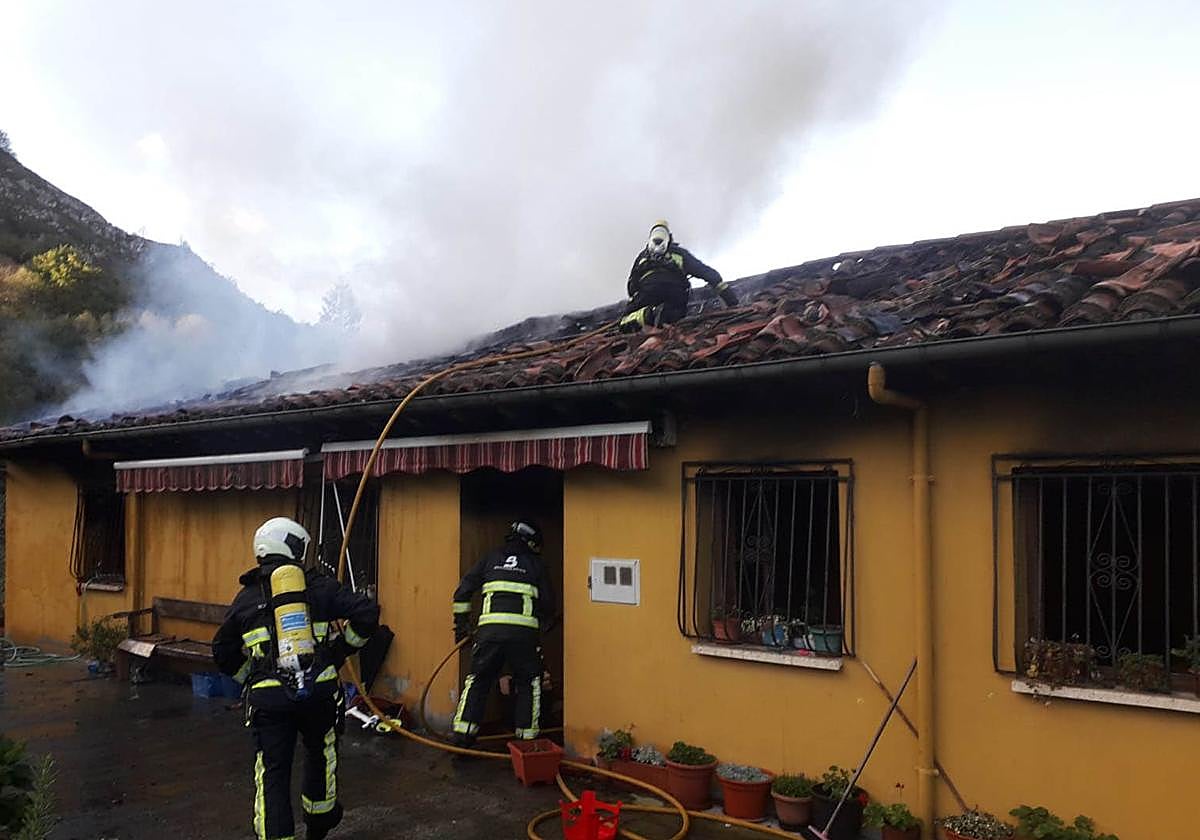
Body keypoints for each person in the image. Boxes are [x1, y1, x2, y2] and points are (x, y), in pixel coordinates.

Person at [213, 516, 380, 840]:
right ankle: (320, 820)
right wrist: (340, 650)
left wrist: (251, 676)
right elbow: (367, 613)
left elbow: (222, 650)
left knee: (273, 770)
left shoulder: (245, 598)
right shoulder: (318, 586)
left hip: (269, 701)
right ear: (294, 548)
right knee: (321, 752)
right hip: (318, 693)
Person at [450, 520, 556, 747]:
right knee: (529, 683)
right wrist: (546, 622)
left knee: (478, 680)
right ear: (530, 542)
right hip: (523, 637)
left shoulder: (490, 559)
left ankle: (463, 736)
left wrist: (462, 628)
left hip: (489, 634)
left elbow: (462, 593)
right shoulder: (536, 564)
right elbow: (548, 604)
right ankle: (527, 743)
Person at [619, 219, 738, 331]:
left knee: (623, 322)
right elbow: (706, 273)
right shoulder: (680, 253)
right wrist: (731, 300)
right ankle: (664, 316)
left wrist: (638, 298)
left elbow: (631, 285)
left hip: (649, 291)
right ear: (669, 237)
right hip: (676, 293)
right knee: (675, 316)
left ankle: (649, 314)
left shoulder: (642, 257)